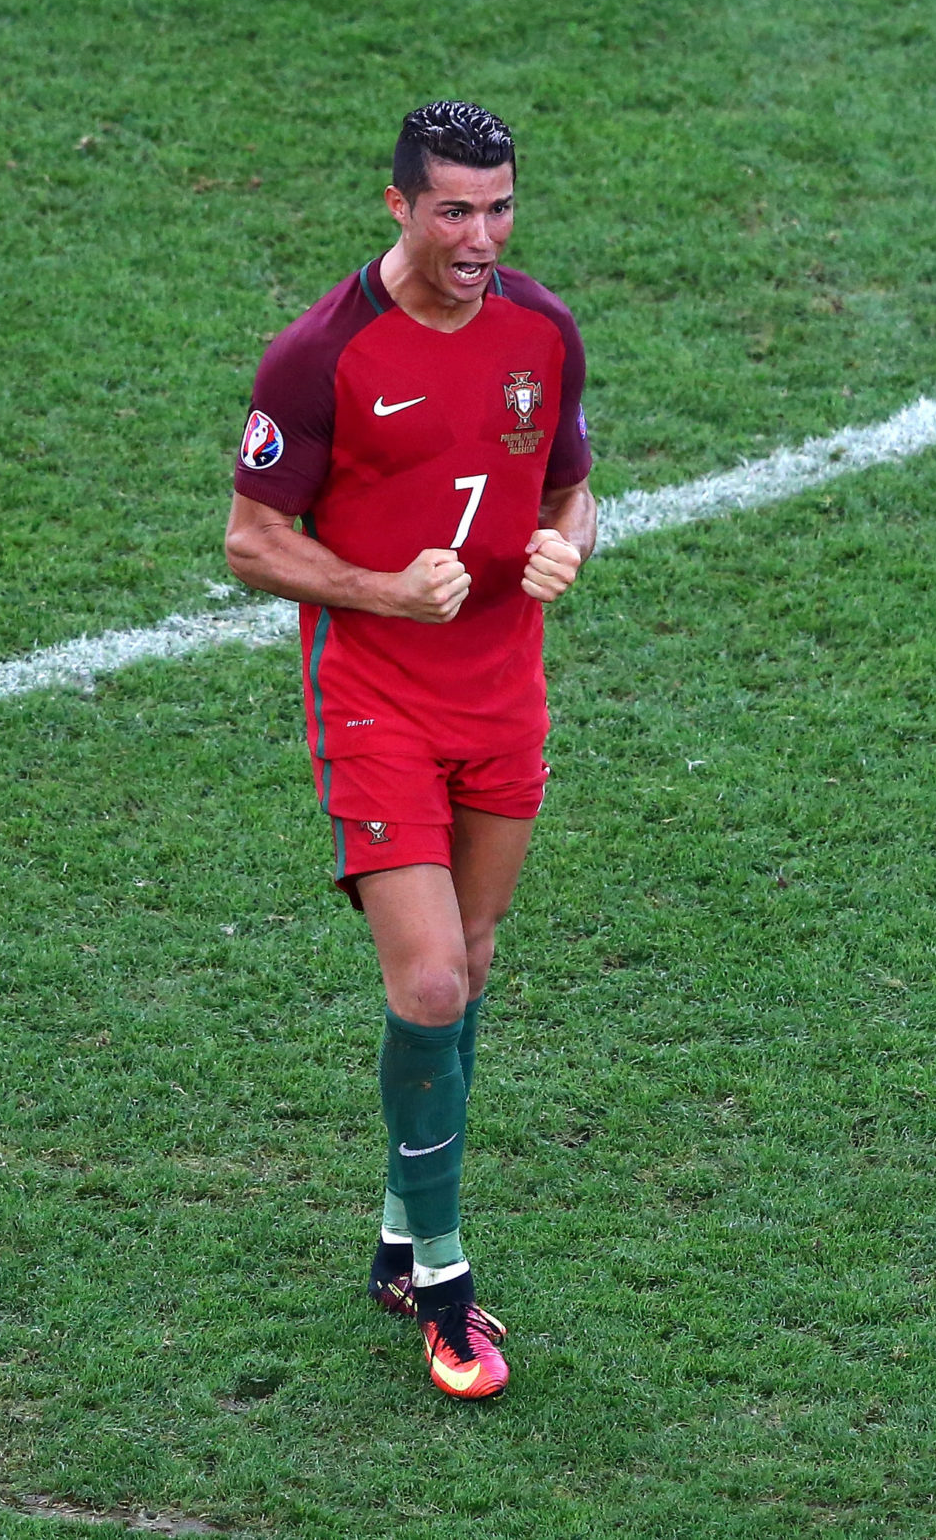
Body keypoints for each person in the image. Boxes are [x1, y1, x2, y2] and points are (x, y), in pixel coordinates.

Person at [222, 101, 596, 1400]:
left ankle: (396, 1230)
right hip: (377, 698)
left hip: (505, 699)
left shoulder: (542, 332)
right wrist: (387, 592)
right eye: (454, 210)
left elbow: (567, 484)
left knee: (475, 964)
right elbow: (250, 540)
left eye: (498, 209)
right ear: (398, 206)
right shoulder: (319, 354)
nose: (481, 236)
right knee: (432, 981)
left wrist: (571, 545)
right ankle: (441, 1273)